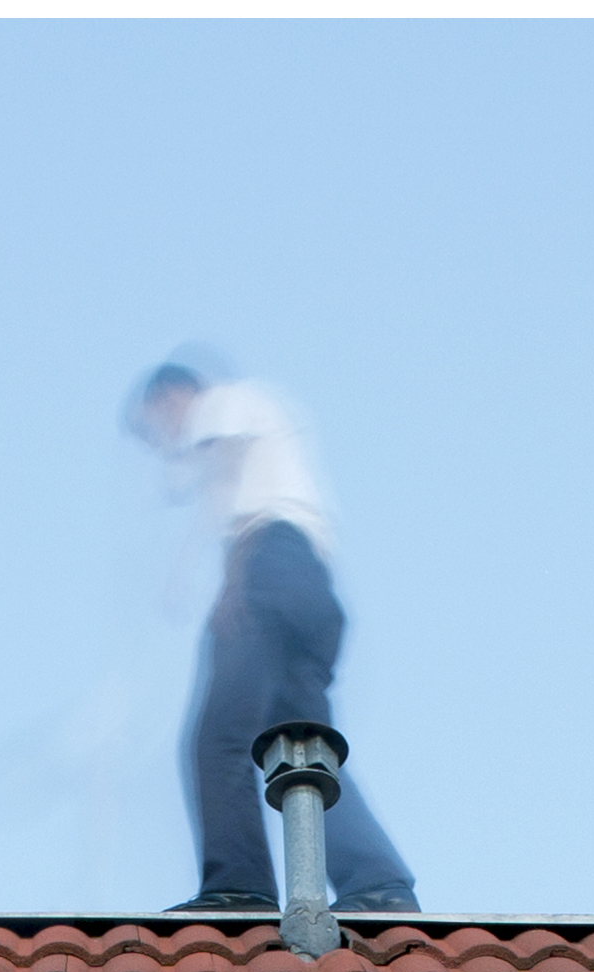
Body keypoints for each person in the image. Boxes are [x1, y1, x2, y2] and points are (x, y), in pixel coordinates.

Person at [126, 355, 422, 918]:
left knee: (219, 739)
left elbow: (225, 471)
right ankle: (380, 883)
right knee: (303, 750)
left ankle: (238, 887)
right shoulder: (267, 415)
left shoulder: (223, 402)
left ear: (173, 394)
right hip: (311, 588)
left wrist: (226, 579)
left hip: (269, 565)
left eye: (158, 422)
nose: (165, 438)